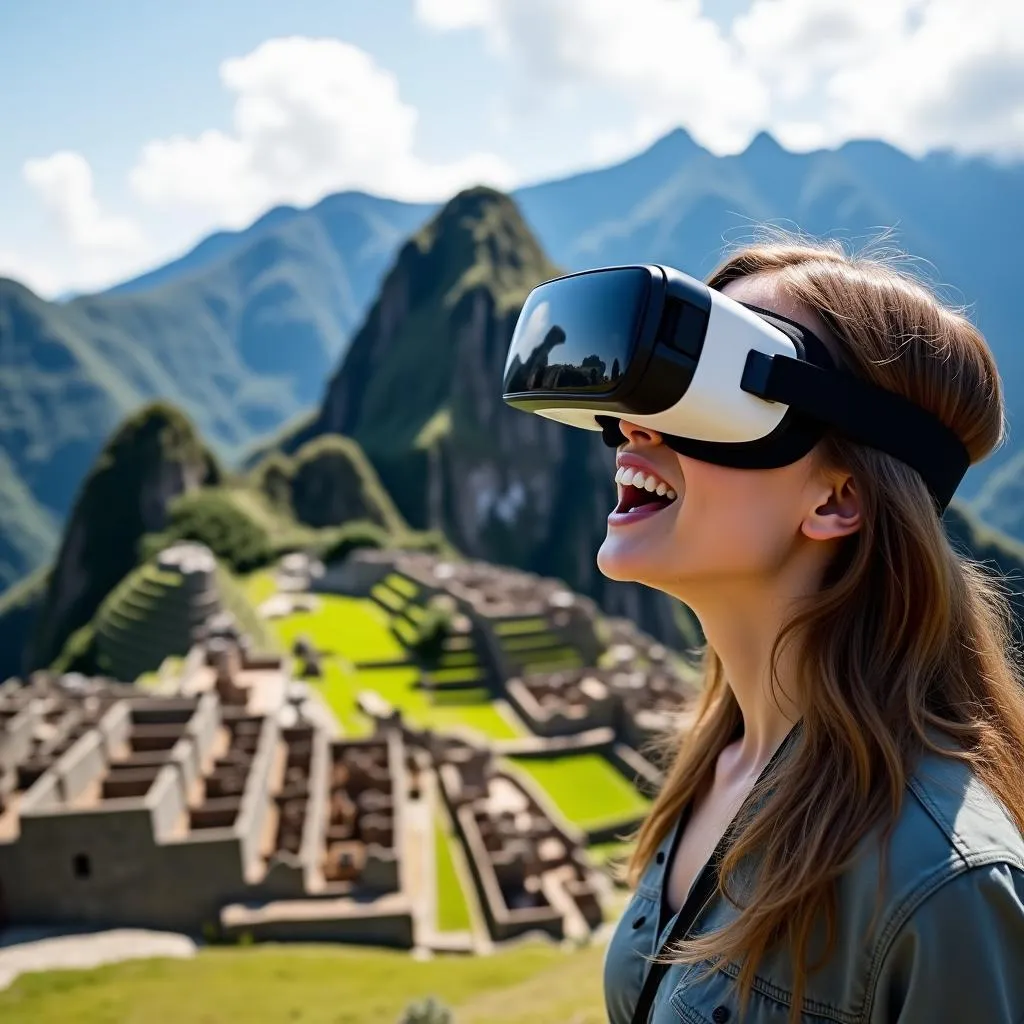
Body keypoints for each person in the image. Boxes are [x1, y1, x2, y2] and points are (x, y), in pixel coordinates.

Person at [592, 239, 1024, 1023]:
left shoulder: (941, 887)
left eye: (712, 389)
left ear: (837, 499)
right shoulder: (717, 766)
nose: (635, 427)